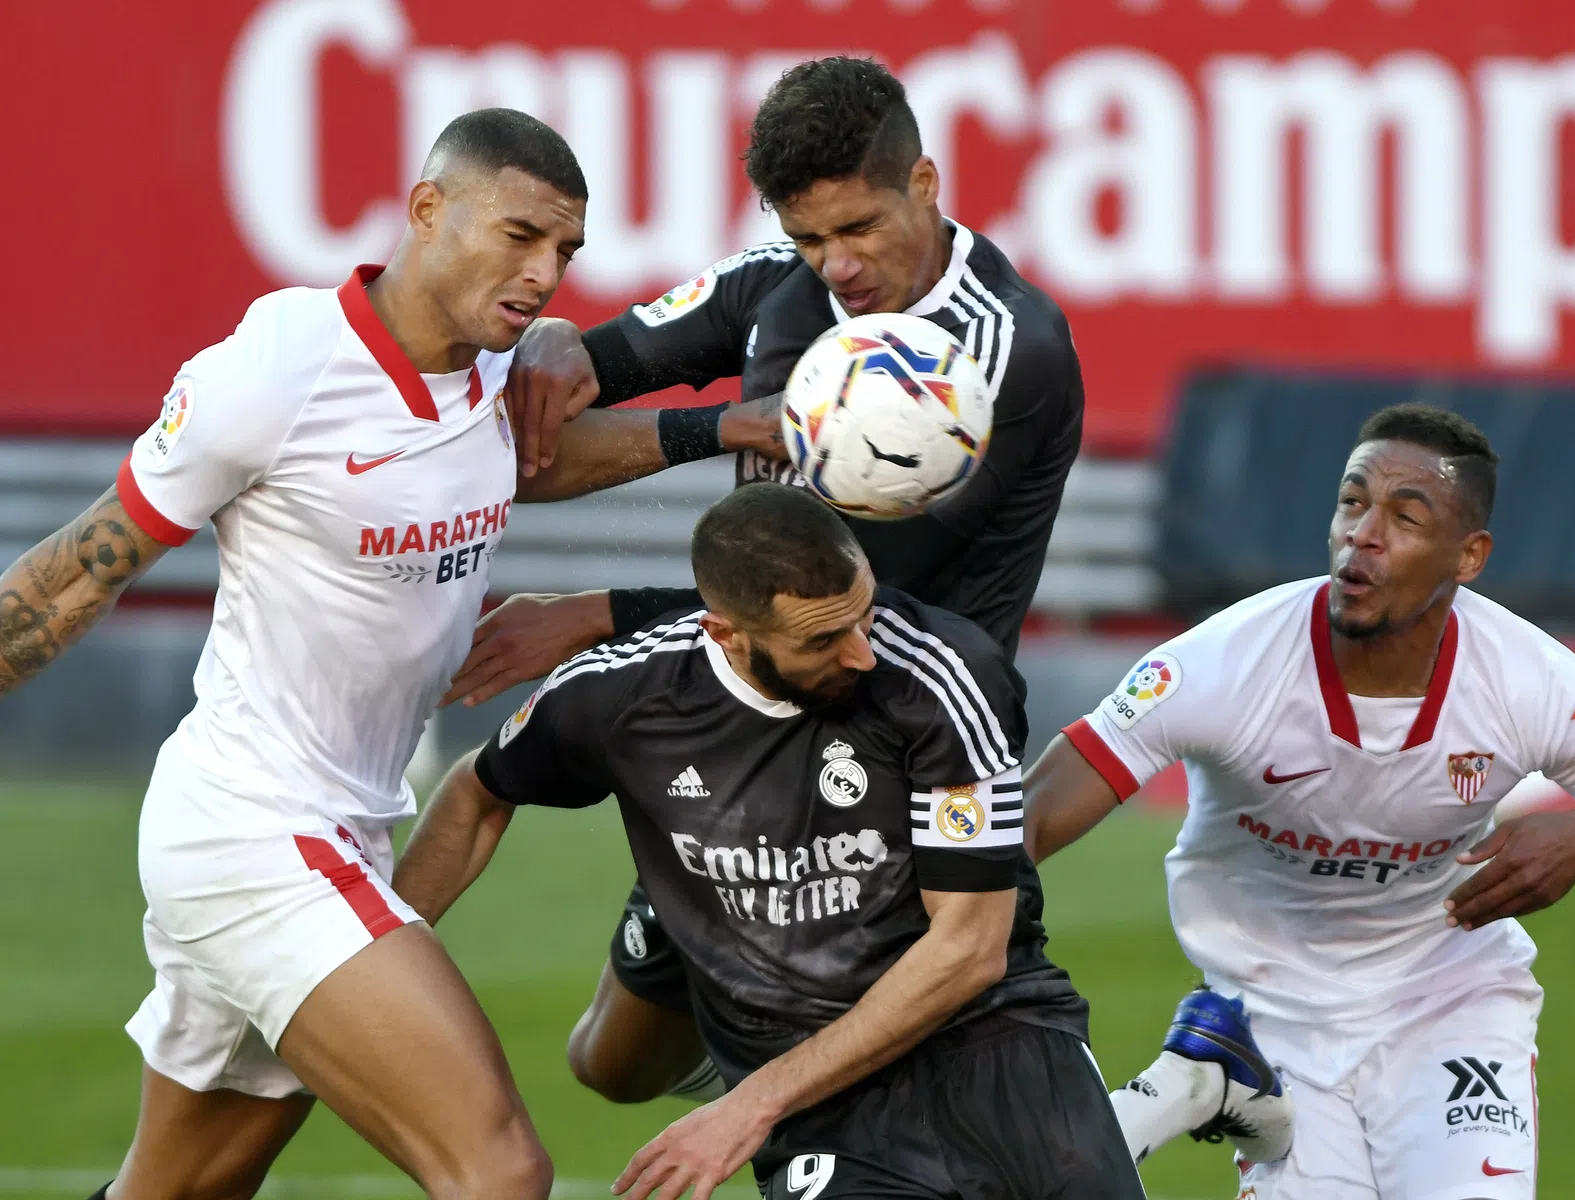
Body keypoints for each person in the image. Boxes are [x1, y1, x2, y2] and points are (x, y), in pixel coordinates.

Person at [441, 55, 1092, 1111]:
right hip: (739, 722)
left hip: (903, 741)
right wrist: (591, 364)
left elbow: (843, 604)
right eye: (809, 237)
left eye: (860, 228)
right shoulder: (774, 291)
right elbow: (540, 434)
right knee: (609, 1063)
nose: (837, 265)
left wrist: (594, 615)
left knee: (882, 1102)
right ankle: (748, 1052)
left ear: (923, 186)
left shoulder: (1007, 356)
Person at [0, 109, 597, 1199]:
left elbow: (536, 457)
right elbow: (84, 565)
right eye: (520, 236)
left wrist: (734, 429)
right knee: (499, 1169)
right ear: (426, 209)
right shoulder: (282, 366)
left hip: (341, 827)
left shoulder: (486, 378)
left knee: (175, 1190)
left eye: (565, 253)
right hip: (253, 834)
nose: (546, 273)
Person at [1023, 404, 1575, 1199]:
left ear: (1468, 556)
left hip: (1448, 1000)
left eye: (1405, 515)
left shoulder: (1529, 680)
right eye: (1351, 501)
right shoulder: (1221, 665)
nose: (1362, 533)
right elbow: (1031, 819)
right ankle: (1216, 1079)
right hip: (1270, 1019)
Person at [391, 483, 1149, 1200]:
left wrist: (748, 1106)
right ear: (724, 630)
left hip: (992, 1035)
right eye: (824, 639)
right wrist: (379, 958)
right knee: (605, 1064)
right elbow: (475, 795)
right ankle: (691, 919)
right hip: (813, 1075)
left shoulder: (945, 675)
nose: (861, 654)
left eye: (864, 615)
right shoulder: (618, 697)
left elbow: (971, 949)